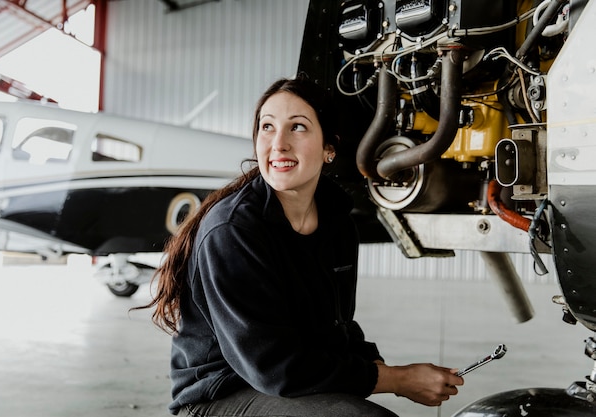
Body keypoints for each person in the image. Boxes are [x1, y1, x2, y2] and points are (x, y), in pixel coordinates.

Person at [140, 74, 464, 416]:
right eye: (267, 127)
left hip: (281, 386)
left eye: (297, 127)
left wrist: (377, 366)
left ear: (329, 148)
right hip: (218, 395)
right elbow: (273, 368)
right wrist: (395, 380)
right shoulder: (233, 231)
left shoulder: (337, 223)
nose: (278, 144)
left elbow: (338, 325)